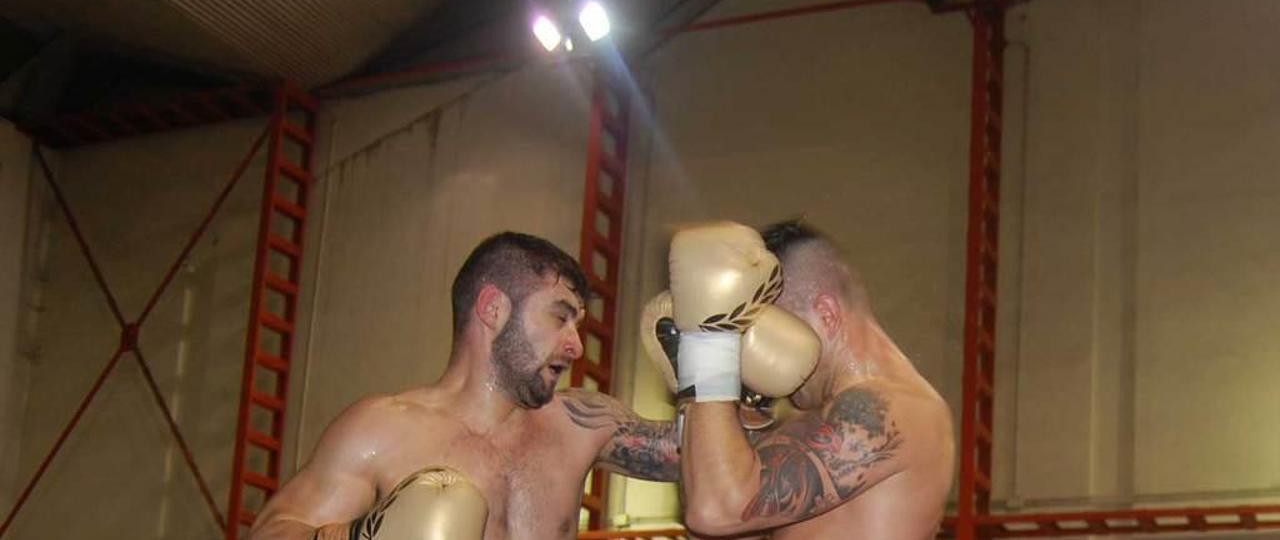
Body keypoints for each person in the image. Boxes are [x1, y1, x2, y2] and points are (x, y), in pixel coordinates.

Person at [250, 232, 679, 540]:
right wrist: (362, 536)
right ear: (493, 309)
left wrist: (709, 362)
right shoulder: (382, 430)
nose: (576, 345)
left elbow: (696, 466)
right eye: (559, 317)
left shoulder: (581, 423)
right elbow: (271, 532)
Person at [671, 220, 954, 539]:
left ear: (827, 314)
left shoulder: (891, 410)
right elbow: (714, 498)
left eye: (776, 328)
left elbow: (717, 509)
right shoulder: (817, 417)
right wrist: (695, 389)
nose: (765, 347)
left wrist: (708, 346)